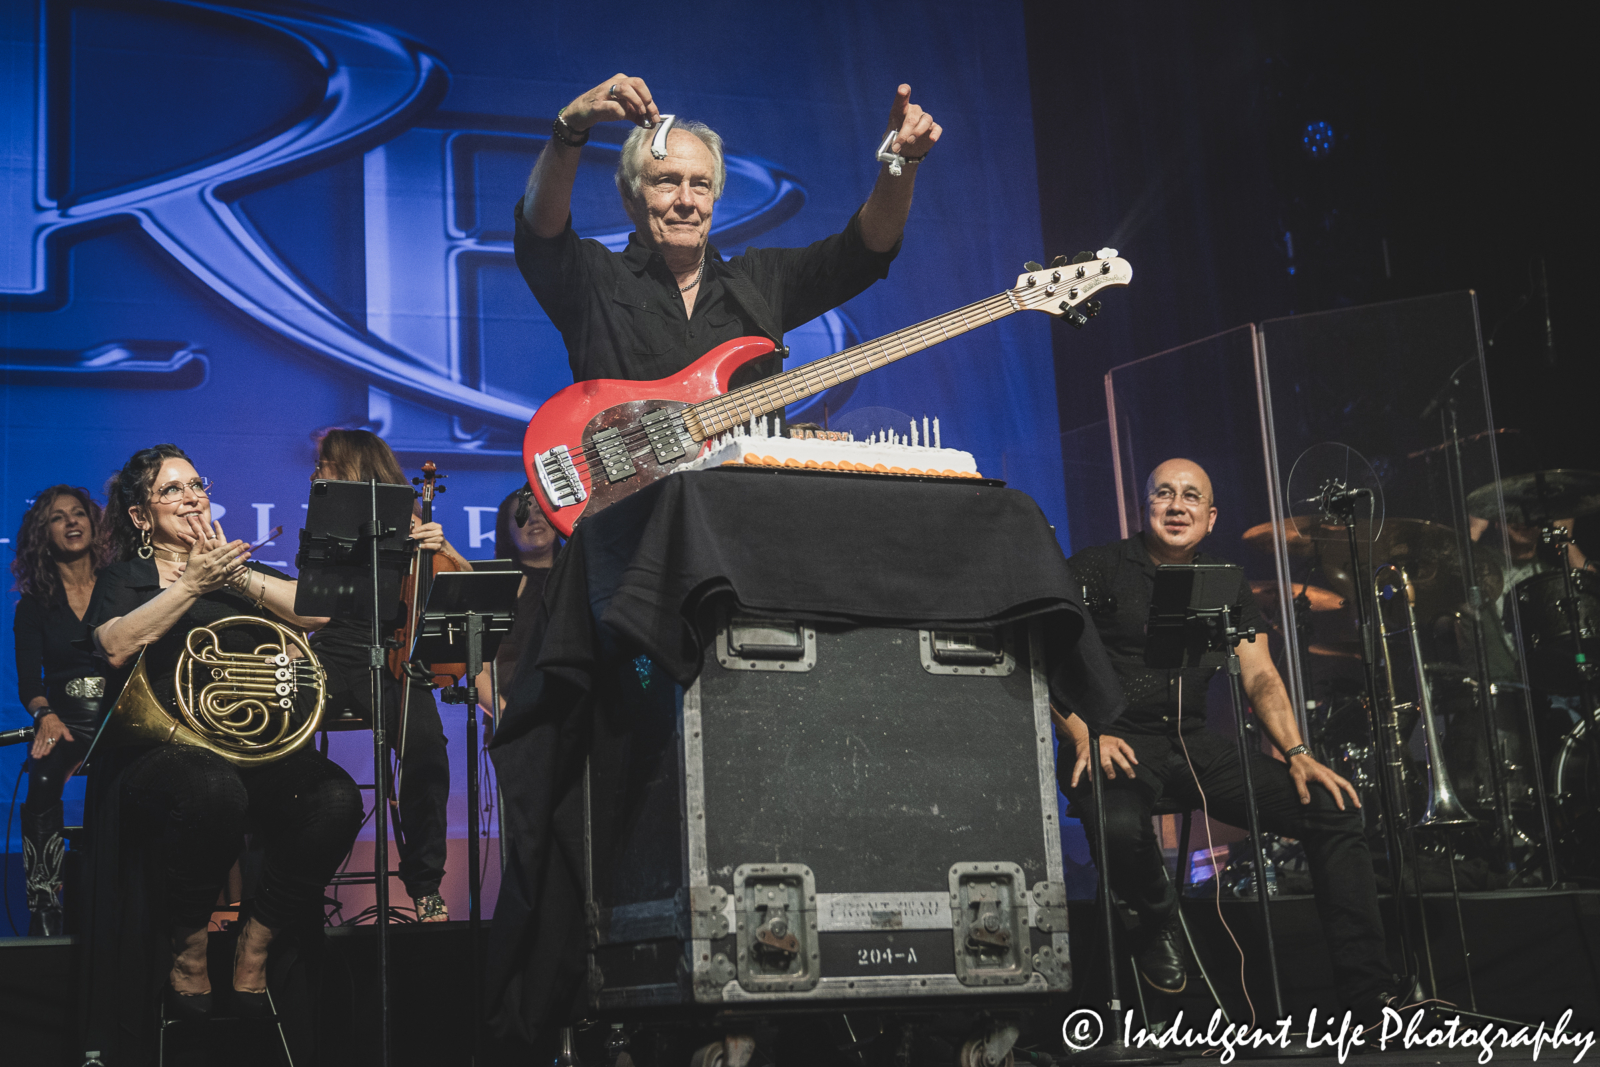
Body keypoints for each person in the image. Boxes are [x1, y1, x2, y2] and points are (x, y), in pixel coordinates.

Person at [1056, 457, 1411, 1016]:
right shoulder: (1098, 568)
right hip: (1114, 740)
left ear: (1211, 515)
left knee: (1332, 809)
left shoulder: (1221, 580)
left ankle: (1368, 995)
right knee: (1117, 822)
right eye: (1164, 494)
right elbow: (1044, 654)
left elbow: (1260, 672)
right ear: (1145, 506)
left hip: (1193, 744)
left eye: (1191, 496)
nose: (1178, 506)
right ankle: (1156, 916)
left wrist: (1298, 753)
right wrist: (1083, 735)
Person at [84, 444, 361, 1044]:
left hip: (247, 747)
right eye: (172, 490)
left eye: (196, 485)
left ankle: (254, 946)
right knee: (213, 790)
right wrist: (189, 585)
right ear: (139, 517)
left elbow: (317, 615)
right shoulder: (126, 577)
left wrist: (234, 575)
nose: (192, 497)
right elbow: (113, 643)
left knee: (334, 797)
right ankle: (187, 945)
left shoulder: (233, 570)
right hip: (164, 753)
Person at [515, 74, 939, 388]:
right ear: (629, 196)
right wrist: (571, 127)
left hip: (736, 505)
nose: (686, 200)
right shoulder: (593, 279)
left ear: (715, 197)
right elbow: (541, 233)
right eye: (666, 182)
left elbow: (865, 250)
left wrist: (902, 166)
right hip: (627, 504)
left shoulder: (760, 282)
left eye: (700, 185)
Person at [308, 428, 472, 922]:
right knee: (279, 727)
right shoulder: (329, 520)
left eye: (326, 464)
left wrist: (445, 547)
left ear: (357, 468)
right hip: (337, 649)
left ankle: (424, 883)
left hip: (395, 655)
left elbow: (459, 589)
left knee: (427, 749)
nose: (316, 472)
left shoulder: (414, 522)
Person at [10, 485, 111, 934]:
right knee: (43, 775)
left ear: (92, 523)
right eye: (58, 517)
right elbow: (30, 684)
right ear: (43, 534)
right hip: (65, 721)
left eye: (78, 514)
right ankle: (44, 902)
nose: (72, 522)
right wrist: (44, 715)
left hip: (122, 715)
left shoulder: (119, 585)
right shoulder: (33, 606)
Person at [474, 485, 561, 714]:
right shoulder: (497, 586)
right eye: (522, 516)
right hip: (514, 717)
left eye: (541, 511)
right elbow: (478, 668)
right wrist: (505, 719)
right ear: (507, 534)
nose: (534, 519)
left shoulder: (578, 576)